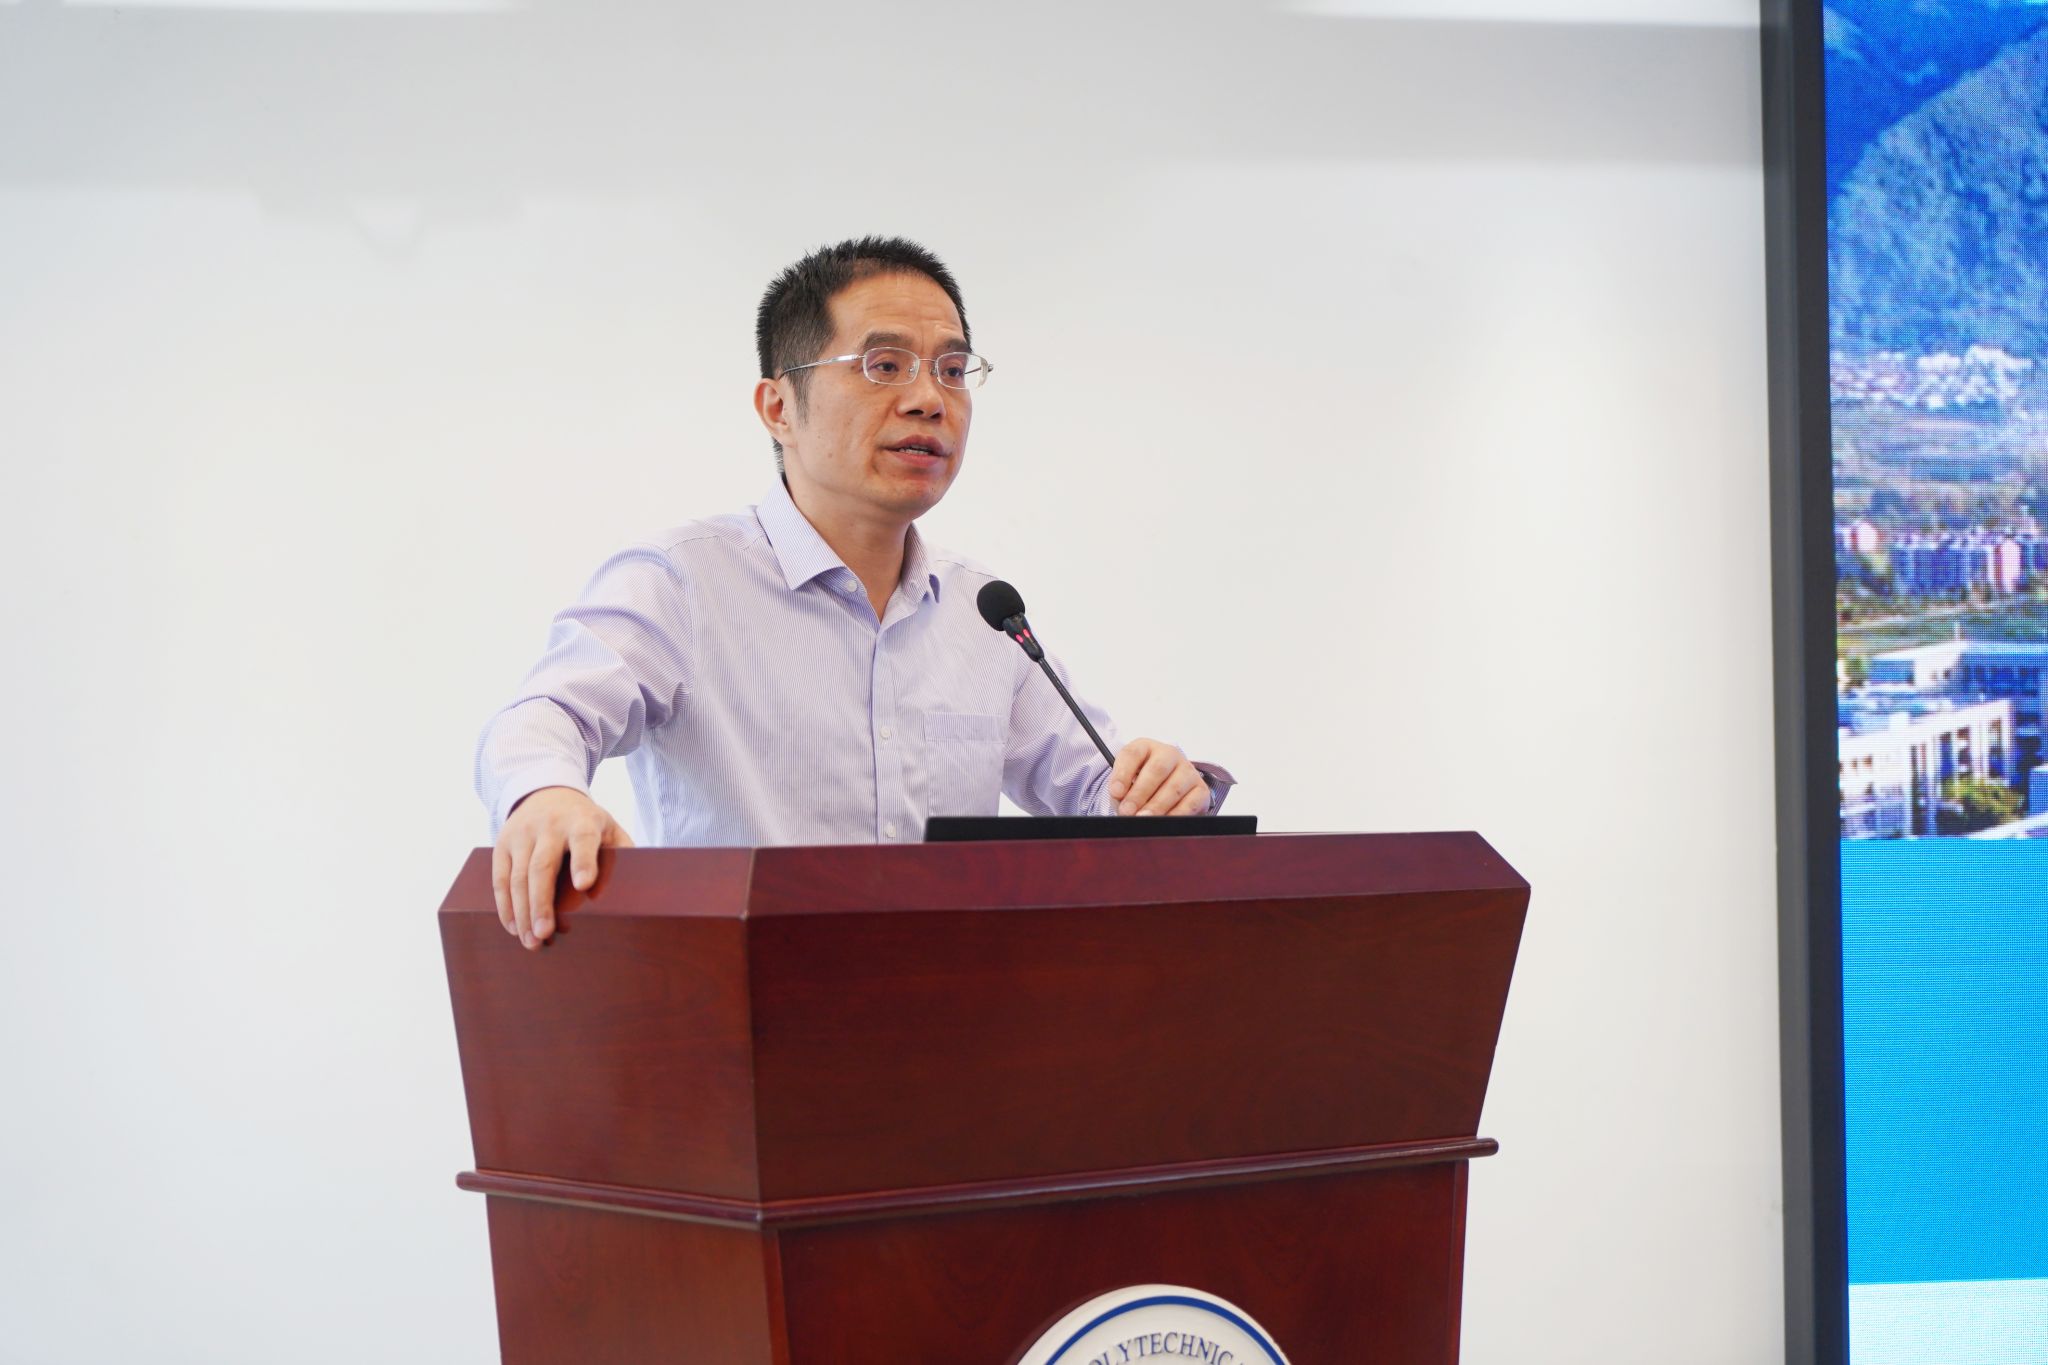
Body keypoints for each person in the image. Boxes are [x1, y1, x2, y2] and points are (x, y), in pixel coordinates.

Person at [475, 236, 1233, 949]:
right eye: (884, 366)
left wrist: (1159, 789)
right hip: (746, 1014)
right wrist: (546, 798)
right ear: (779, 408)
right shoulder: (679, 580)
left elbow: (1100, 795)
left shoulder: (984, 615)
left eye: (952, 370)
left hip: (952, 1012)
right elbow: (542, 716)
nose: (929, 399)